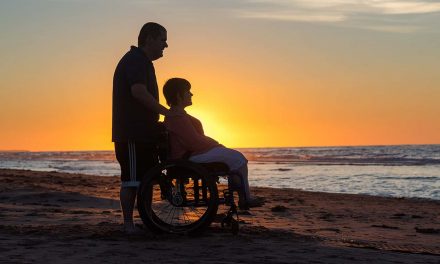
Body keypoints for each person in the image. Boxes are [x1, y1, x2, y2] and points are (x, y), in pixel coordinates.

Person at [112, 22, 177, 234]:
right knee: (131, 181)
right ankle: (128, 225)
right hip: (132, 132)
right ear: (149, 38)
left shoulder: (145, 62)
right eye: (163, 39)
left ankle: (148, 220)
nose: (166, 45)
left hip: (145, 132)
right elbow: (138, 92)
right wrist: (166, 112)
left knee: (146, 180)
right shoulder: (135, 60)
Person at [163, 78, 264, 209]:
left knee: (236, 158)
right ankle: (244, 198)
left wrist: (214, 144)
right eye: (188, 91)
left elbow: (195, 140)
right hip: (188, 156)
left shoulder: (178, 115)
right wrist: (214, 144)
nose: (191, 94)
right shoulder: (176, 117)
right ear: (178, 95)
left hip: (193, 153)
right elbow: (194, 142)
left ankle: (243, 196)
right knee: (238, 159)